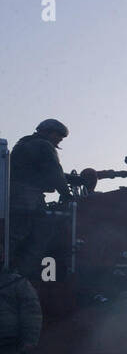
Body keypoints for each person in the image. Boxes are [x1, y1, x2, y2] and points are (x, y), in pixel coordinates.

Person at [6, 120, 71, 282]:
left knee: (13, 237)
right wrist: (68, 195)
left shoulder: (23, 145)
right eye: (58, 136)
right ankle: (20, 276)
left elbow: (37, 170)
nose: (59, 140)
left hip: (14, 197)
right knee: (42, 234)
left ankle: (8, 270)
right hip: (28, 198)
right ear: (49, 132)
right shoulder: (44, 146)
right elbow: (54, 172)